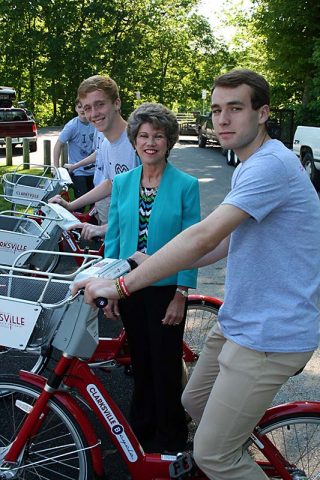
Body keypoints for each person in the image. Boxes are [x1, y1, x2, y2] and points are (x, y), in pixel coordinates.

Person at [73, 70, 320, 478]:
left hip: (269, 334)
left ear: (263, 113)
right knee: (193, 402)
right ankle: (237, 445)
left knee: (212, 455)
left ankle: (228, 458)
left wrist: (122, 283)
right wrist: (140, 263)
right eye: (216, 110)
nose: (222, 120)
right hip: (240, 320)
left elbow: (204, 236)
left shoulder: (269, 166)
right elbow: (225, 242)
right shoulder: (250, 164)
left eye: (235, 109)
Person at [102, 102, 200, 453]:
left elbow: (194, 244)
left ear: (169, 141)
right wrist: (111, 287)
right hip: (130, 286)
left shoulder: (186, 185)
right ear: (134, 140)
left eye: (158, 136)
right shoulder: (124, 183)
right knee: (140, 362)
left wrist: (181, 294)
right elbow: (113, 240)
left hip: (166, 290)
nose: (150, 142)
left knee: (165, 364)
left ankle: (171, 435)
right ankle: (141, 431)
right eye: (144, 135)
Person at [50, 75, 140, 237]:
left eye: (100, 105)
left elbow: (149, 200)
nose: (94, 113)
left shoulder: (138, 143)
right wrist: (70, 205)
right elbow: (110, 183)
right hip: (118, 224)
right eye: (87, 108)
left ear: (117, 103)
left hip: (139, 236)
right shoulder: (105, 145)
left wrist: (104, 229)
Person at [53, 98, 96, 204]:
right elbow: (58, 145)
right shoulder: (72, 126)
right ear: (76, 108)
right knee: (81, 201)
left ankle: (92, 221)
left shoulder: (96, 123)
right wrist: (55, 167)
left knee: (95, 204)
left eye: (85, 107)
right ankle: (76, 219)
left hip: (95, 169)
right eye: (79, 107)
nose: (82, 110)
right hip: (78, 170)